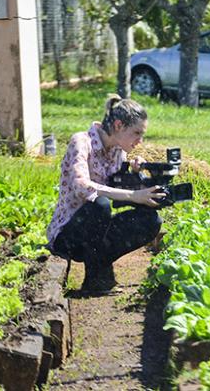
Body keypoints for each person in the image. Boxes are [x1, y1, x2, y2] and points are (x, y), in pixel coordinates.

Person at [46, 95, 165, 291]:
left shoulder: (119, 151)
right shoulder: (81, 142)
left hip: (96, 235)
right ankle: (96, 278)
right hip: (68, 235)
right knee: (99, 205)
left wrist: (133, 175)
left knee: (150, 220)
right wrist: (134, 196)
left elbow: (116, 193)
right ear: (118, 125)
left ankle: (100, 275)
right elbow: (82, 186)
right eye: (137, 133)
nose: (140, 141)